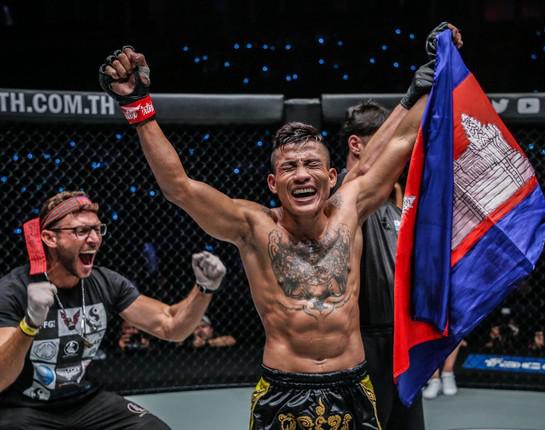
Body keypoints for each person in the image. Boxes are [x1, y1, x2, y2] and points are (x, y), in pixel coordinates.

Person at [99, 22, 462, 429]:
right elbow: (179, 187)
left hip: (354, 386)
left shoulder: (351, 208)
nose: (302, 174)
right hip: (284, 390)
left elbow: (401, 141)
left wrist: (433, 75)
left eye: (311, 165)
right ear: (273, 183)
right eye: (290, 167)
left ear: (332, 177)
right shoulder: (253, 226)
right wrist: (138, 106)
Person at [0, 191, 227, 430]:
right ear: (49, 238)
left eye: (97, 229)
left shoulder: (106, 282)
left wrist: (204, 288)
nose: (94, 239)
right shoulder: (13, 290)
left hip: (84, 402)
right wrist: (29, 324)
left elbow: (170, 326)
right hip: (23, 407)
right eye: (81, 231)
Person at [333, 100, 424, 428]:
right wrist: (416, 96)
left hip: (400, 342)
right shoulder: (343, 198)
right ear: (356, 145)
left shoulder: (393, 208)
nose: (396, 150)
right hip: (362, 342)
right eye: (388, 140)